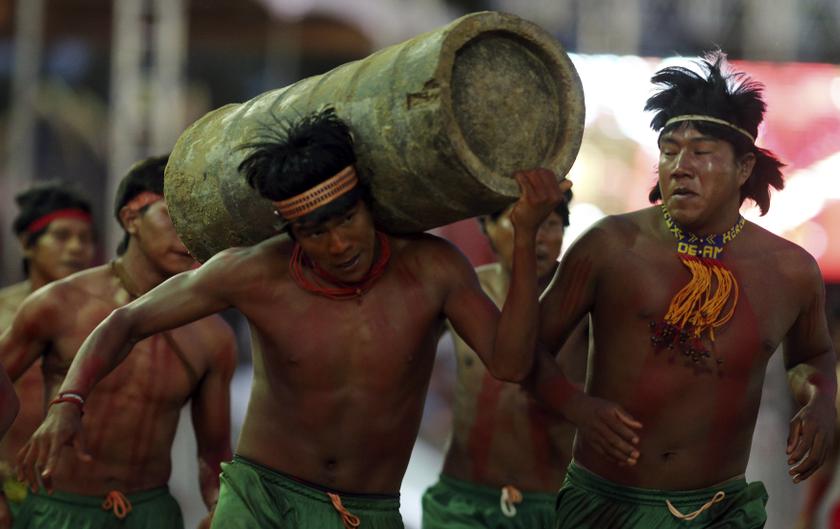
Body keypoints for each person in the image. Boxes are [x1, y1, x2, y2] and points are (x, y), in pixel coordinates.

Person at [12, 107, 622, 529]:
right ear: (290, 230)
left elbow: (512, 363)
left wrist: (518, 240)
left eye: (345, 220)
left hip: (370, 509)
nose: (337, 245)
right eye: (314, 231)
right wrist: (68, 403)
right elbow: (126, 322)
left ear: (368, 206)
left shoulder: (433, 269)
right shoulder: (252, 272)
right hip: (261, 500)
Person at [517, 52, 837, 528]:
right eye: (669, 150)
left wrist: (821, 403)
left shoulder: (791, 271)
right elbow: (522, 355)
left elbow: (811, 356)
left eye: (702, 152)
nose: (680, 166)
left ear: (745, 166)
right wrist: (576, 404)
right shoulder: (609, 246)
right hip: (604, 505)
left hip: (718, 512)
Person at [0, 156, 236, 529]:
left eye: (197, 222)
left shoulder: (212, 335)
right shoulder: (59, 305)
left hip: (151, 514)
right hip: (56, 510)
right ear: (130, 219)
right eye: (173, 218)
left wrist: (220, 507)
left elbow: (214, 455)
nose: (188, 235)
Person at [422, 194, 587, 528]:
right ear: (486, 227)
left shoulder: (584, 305)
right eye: (521, 224)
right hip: (461, 500)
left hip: (547, 507)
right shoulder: (463, 294)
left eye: (551, 224)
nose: (537, 236)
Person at [0, 183, 96, 528]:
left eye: (85, 238)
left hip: (82, 495)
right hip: (11, 487)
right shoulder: (1, 314)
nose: (76, 248)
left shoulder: (106, 321)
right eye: (62, 236)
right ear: (27, 243)